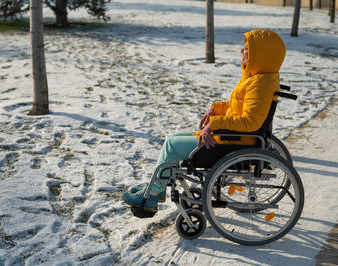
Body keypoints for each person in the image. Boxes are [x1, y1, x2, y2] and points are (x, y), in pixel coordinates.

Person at [122, 29, 286, 212]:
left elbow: (249, 122)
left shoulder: (259, 83)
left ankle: (151, 195)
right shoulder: (257, 79)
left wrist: (214, 124)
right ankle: (158, 189)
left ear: (259, 55)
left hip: (233, 142)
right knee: (171, 137)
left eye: (246, 48)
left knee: (172, 147)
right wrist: (216, 109)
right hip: (231, 137)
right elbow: (238, 107)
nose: (241, 51)